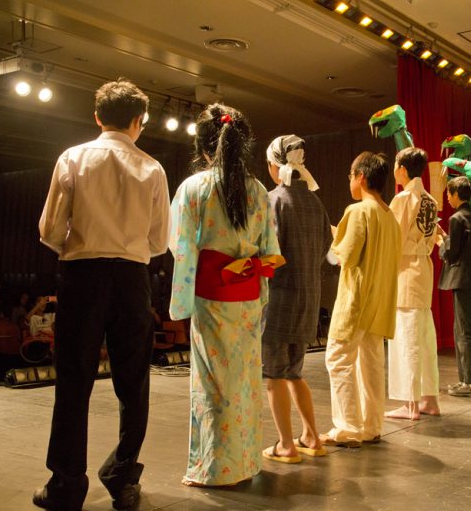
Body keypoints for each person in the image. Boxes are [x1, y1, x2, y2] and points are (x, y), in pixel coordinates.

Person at [35, 79, 170, 511]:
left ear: (97, 116)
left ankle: (67, 486)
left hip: (82, 275)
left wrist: (80, 247)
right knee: (134, 383)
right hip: (132, 279)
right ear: (139, 122)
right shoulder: (152, 168)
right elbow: (160, 241)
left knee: (73, 382)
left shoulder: (72, 157)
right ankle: (122, 477)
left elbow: (49, 230)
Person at [169, 104, 282, 486]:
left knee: (213, 383)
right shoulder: (258, 190)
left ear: (203, 146)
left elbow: (181, 248)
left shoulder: (194, 188)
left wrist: (181, 303)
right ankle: (247, 462)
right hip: (247, 296)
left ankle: (215, 468)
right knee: (245, 380)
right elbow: (269, 246)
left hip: (212, 296)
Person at [260, 134, 332, 463]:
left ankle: (286, 445)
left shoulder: (274, 199)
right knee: (295, 372)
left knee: (274, 374)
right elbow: (323, 252)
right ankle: (311, 436)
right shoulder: (315, 202)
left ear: (276, 166)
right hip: (309, 296)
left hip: (279, 299)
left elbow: (270, 256)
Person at [321, 152, 400, 448]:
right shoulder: (390, 216)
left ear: (361, 177)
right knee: (371, 364)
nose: (350, 181)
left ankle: (347, 428)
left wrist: (330, 238)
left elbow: (345, 256)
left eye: (351, 175)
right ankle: (370, 426)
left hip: (357, 298)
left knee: (339, 360)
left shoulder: (357, 211)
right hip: (381, 300)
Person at [385, 147, 441, 419]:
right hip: (424, 268)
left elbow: (393, 238)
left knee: (407, 338)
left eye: (396, 165)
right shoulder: (429, 198)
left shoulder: (404, 197)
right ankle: (429, 399)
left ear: (403, 169)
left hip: (407, 270)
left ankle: (410, 404)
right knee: (424, 338)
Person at [438, 176, 471, 397]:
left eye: (449, 194)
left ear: (456, 194)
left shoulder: (456, 218)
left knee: (464, 331)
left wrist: (441, 244)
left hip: (463, 280)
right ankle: (467, 379)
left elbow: (452, 252)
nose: (447, 198)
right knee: (466, 330)